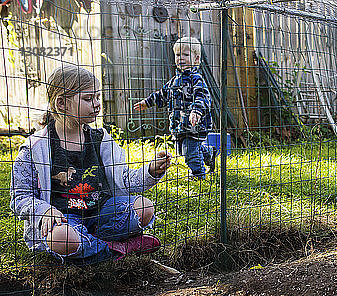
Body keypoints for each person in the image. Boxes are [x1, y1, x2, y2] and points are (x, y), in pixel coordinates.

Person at [10, 65, 172, 265]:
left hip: (101, 214)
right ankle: (117, 247)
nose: (97, 104)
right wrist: (44, 210)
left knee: (144, 208)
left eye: (97, 97)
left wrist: (150, 171)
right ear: (61, 103)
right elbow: (20, 197)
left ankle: (93, 247)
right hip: (64, 220)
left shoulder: (100, 139)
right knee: (62, 239)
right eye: (88, 99)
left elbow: (123, 179)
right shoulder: (34, 148)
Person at [133, 36, 217, 180]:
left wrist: (196, 111)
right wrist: (147, 102)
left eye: (185, 54)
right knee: (185, 150)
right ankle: (209, 153)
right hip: (179, 125)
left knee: (189, 152)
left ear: (196, 59)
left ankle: (198, 174)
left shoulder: (196, 79)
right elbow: (162, 94)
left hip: (195, 125)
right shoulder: (174, 80)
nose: (181, 58)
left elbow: (203, 97)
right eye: (178, 55)